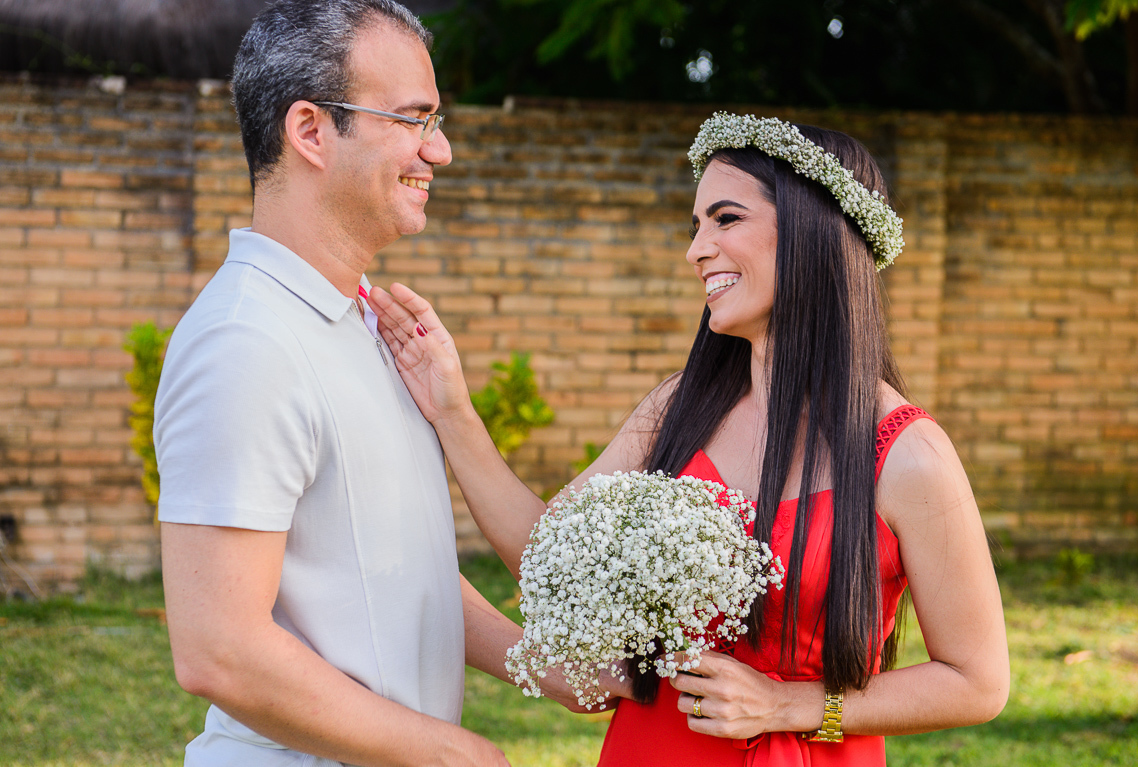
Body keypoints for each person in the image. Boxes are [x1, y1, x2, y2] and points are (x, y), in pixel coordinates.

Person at [367, 112, 1010, 765]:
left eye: (725, 219)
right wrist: (453, 411)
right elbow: (548, 558)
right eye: (695, 225)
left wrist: (787, 704)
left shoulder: (907, 455)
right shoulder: (678, 407)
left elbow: (977, 681)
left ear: (814, 234)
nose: (696, 248)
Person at [154, 2, 590, 765]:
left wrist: (547, 666)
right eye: (414, 120)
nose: (442, 150)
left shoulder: (365, 321)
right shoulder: (245, 342)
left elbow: (387, 563)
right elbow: (219, 648)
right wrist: (456, 753)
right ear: (311, 131)